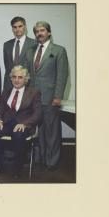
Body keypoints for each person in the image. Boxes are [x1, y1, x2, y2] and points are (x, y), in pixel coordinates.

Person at [24, 21, 69, 171]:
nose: (39, 33)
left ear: (48, 32)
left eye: (42, 30)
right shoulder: (30, 51)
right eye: (36, 31)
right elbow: (27, 75)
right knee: (38, 130)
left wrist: (58, 96)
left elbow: (62, 76)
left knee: (51, 130)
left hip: (50, 97)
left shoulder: (58, 50)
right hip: (33, 98)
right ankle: (40, 158)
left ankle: (52, 161)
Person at [0, 65, 42, 179]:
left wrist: (25, 124)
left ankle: (17, 169)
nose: (17, 80)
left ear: (26, 79)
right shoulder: (6, 91)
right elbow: (0, 110)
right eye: (14, 77)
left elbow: (38, 114)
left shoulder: (34, 92)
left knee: (18, 135)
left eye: (20, 77)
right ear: (11, 78)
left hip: (24, 124)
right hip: (7, 123)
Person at [3, 16, 36, 91]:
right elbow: (7, 68)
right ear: (12, 29)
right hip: (9, 86)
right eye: (14, 27)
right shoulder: (7, 45)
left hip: (28, 86)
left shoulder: (34, 44)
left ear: (25, 27)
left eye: (20, 26)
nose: (17, 29)